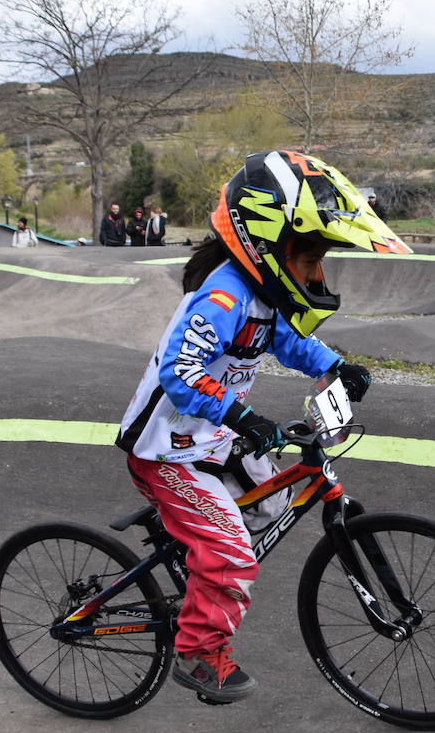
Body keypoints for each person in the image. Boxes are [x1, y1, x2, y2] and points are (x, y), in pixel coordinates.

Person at [116, 149, 408, 703]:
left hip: (212, 436)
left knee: (273, 506)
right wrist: (242, 414)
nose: (316, 273)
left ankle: (200, 570)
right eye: (309, 260)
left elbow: (289, 340)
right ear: (268, 246)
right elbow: (182, 371)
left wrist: (334, 365)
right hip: (165, 451)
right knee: (232, 554)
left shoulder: (264, 293)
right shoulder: (224, 295)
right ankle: (198, 652)